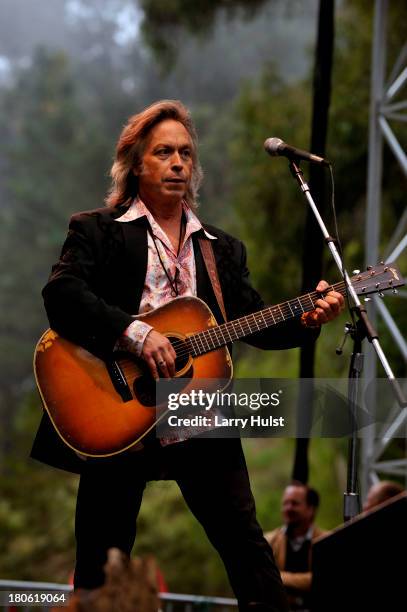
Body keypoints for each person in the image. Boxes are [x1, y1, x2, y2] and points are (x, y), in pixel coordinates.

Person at [31, 100, 344, 612]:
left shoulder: (220, 249)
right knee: (100, 562)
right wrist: (134, 334)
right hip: (117, 412)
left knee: (247, 549)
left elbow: (258, 322)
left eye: (185, 153)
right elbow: (62, 293)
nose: (178, 163)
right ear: (135, 163)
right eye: (163, 152)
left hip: (198, 413)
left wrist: (308, 319)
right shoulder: (99, 230)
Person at [265, 482, 326, 611]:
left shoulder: (326, 540)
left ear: (311, 509)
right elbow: (259, 578)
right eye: (285, 503)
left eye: (294, 503)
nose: (288, 508)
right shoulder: (268, 541)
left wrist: (277, 577)